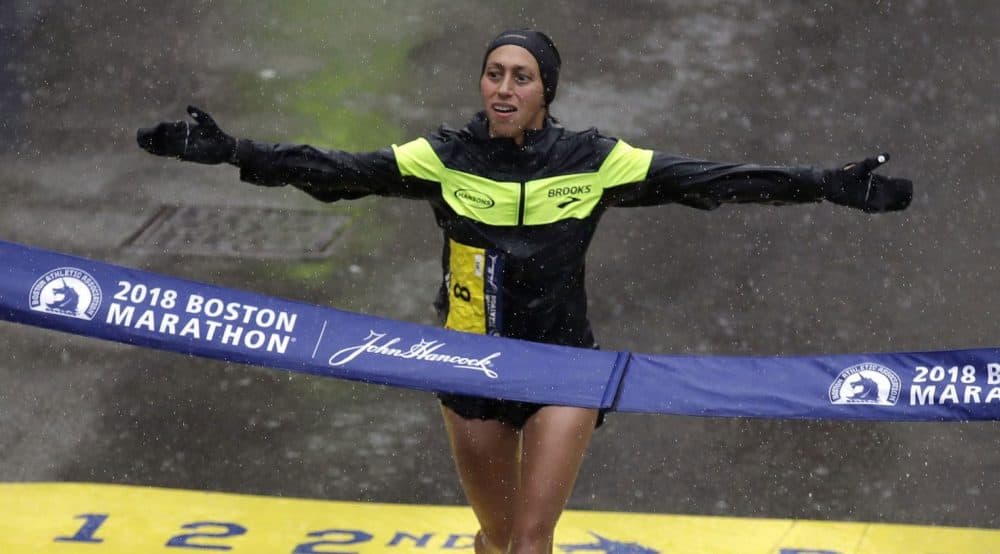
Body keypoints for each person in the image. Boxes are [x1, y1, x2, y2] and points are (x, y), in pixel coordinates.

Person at [137, 29, 912, 554]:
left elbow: (711, 180)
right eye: (494, 74)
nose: (504, 88)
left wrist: (824, 185)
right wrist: (231, 151)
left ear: (546, 91)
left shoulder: (591, 160)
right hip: (466, 364)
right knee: (498, 541)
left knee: (532, 544)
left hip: (561, 370)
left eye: (522, 78)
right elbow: (337, 172)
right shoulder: (444, 156)